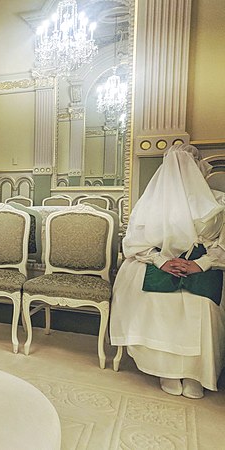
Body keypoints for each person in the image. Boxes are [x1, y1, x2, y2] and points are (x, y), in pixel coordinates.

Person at [110, 143, 225, 399]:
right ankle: (166, 370)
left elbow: (222, 244)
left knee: (201, 306)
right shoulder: (151, 203)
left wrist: (201, 264)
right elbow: (133, 243)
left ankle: (197, 373)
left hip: (202, 265)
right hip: (159, 262)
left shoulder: (217, 201)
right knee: (156, 301)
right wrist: (161, 261)